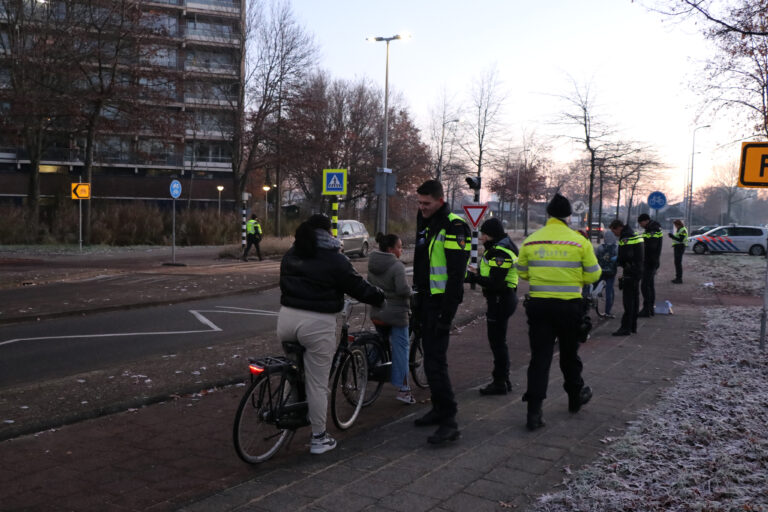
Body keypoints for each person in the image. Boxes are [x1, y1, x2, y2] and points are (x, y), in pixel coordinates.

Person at [277, 214, 385, 454]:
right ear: (327, 233)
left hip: (286, 319)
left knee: (294, 370)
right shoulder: (335, 258)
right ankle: (319, 439)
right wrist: (379, 297)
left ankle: (289, 410)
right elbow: (357, 286)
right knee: (317, 383)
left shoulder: (291, 254)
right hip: (316, 324)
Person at [516, 193, 601, 431]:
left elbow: (521, 272)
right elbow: (594, 274)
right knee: (569, 355)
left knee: (540, 358)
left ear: (548, 214)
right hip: (569, 307)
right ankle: (575, 398)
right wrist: (577, 280)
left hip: (539, 306)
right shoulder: (579, 241)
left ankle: (533, 412)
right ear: (568, 216)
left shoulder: (532, 240)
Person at [412, 179, 471, 445]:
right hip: (424, 301)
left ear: (440, 200)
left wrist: (446, 315)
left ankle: (450, 421)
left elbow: (457, 275)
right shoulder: (424, 221)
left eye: (427, 203)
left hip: (440, 304)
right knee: (430, 360)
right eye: (420, 202)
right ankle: (438, 409)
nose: (422, 207)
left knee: (436, 362)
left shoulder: (454, 227)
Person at [465, 217, 519, 396]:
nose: (482, 238)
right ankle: (504, 379)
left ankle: (499, 382)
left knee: (497, 343)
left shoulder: (500, 253)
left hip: (500, 300)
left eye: (484, 234)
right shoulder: (500, 248)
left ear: (492, 235)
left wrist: (474, 278)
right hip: (502, 299)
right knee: (498, 342)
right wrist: (478, 274)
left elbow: (495, 283)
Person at [367, 232, 415, 404]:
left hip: (377, 313)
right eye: (400, 247)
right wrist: (411, 293)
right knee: (401, 348)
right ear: (390, 249)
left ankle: (365, 371)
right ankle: (404, 390)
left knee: (380, 340)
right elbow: (402, 289)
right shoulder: (397, 266)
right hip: (396, 315)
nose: (401, 250)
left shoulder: (372, 263)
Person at [608, 219, 644, 336]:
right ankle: (633, 326)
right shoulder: (634, 235)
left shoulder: (626, 238)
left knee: (628, 301)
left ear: (618, 227)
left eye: (614, 232)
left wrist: (617, 260)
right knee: (635, 299)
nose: (615, 235)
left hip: (630, 272)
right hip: (637, 270)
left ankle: (625, 328)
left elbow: (625, 256)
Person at [637, 213, 663, 317]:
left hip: (650, 262)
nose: (640, 225)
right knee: (650, 286)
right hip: (652, 261)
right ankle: (650, 308)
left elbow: (651, 246)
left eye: (640, 223)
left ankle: (647, 309)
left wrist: (642, 247)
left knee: (645, 286)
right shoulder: (652, 228)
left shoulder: (653, 230)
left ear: (646, 220)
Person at [595, 229, 619, 318]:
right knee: (609, 292)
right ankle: (607, 312)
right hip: (611, 273)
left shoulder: (600, 247)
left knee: (594, 288)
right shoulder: (617, 248)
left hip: (600, 272)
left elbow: (596, 259)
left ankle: (593, 298)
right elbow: (618, 260)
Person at [669, 219, 688, 284]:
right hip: (678, 247)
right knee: (677, 263)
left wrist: (672, 237)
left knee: (678, 263)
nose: (675, 226)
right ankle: (678, 278)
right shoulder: (680, 229)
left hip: (680, 247)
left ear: (678, 224)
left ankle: (679, 279)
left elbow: (681, 239)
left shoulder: (683, 230)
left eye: (676, 225)